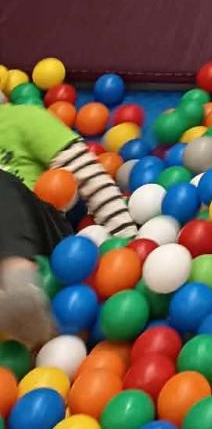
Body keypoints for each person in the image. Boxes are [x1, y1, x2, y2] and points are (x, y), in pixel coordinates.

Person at [0, 102, 137, 346]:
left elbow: (89, 177)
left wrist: (128, 248)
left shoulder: (20, 118)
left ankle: (20, 282)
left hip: (43, 240)